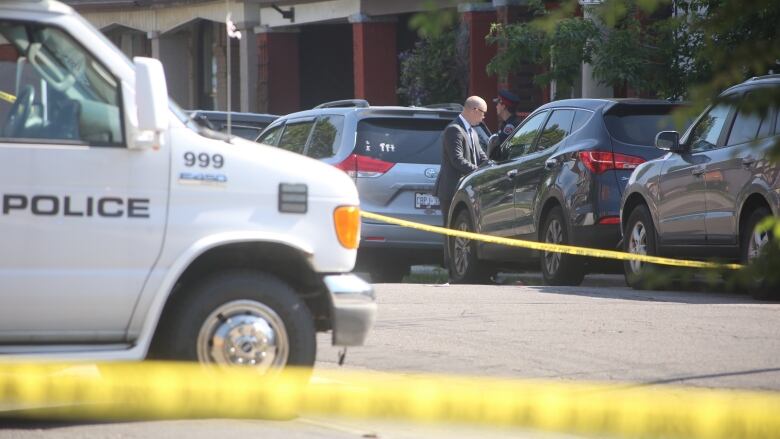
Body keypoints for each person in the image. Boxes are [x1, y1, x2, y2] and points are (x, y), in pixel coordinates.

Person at [434, 96, 488, 269]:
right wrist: (478, 171)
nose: (484, 118)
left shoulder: (472, 131)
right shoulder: (454, 129)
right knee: (450, 230)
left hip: (465, 190)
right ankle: (451, 268)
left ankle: (461, 267)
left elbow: (481, 157)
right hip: (451, 189)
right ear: (474, 110)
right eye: (483, 113)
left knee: (462, 229)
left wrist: (490, 168)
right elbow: (457, 160)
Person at [491, 89, 521, 160]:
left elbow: (498, 145)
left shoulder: (511, 126)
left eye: (498, 104)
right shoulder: (506, 123)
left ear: (503, 106)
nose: (496, 106)